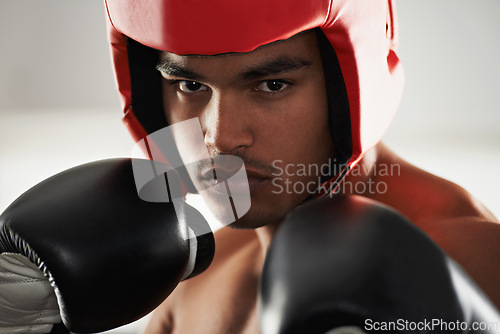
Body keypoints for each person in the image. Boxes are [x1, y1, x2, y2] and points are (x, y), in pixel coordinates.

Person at [103, 0, 500, 332]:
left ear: (351, 87)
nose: (220, 138)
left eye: (273, 85)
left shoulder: (477, 264)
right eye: (191, 86)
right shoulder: (196, 277)